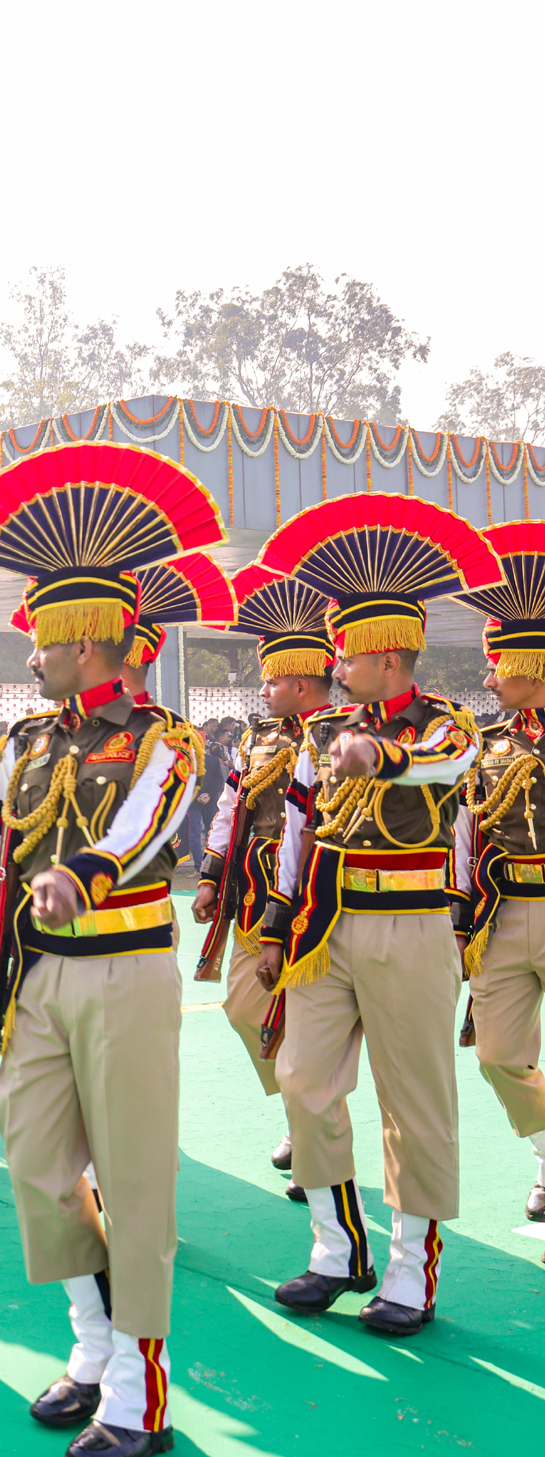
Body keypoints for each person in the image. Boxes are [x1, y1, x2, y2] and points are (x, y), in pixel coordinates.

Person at [0, 442, 212, 1456]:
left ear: (86, 638)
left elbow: (151, 820)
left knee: (133, 1178)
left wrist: (86, 871)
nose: (30, 655)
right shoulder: (18, 742)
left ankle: (139, 1391)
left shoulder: (163, 736)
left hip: (124, 969)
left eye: (43, 639)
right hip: (36, 980)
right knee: (37, 1166)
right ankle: (93, 1342)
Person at [251, 495, 487, 1341]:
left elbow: (446, 763)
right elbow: (297, 826)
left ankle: (409, 1271)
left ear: (387, 656)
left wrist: (381, 753)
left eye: (347, 651)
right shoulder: (321, 730)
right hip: (325, 927)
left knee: (413, 1101)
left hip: (410, 922)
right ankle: (336, 1246)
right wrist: (275, 922)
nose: (336, 663)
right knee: (302, 1080)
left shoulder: (446, 723)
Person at [193, 567, 337, 1175]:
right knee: (243, 1007)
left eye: (272, 678)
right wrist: (209, 875)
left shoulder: (339, 735)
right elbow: (230, 809)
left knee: (311, 1021)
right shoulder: (256, 739)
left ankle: (314, 1134)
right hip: (256, 892)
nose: (263, 688)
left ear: (301, 682)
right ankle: (301, 1113)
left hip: (322, 894)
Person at [454, 528, 545, 1221]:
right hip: (503, 912)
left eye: (496, 667)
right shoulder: (485, 746)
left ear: (528, 663)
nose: (488, 681)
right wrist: (460, 918)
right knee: (496, 1055)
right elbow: (465, 835)